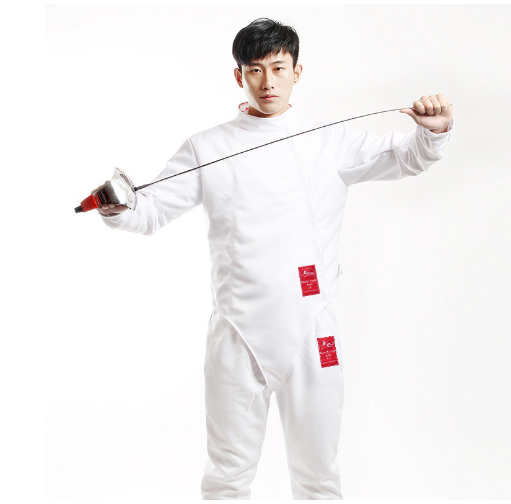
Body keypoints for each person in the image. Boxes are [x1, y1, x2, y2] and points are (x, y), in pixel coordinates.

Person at [96, 17, 454, 500]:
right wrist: (118, 206)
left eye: (279, 68)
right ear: (239, 75)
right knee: (227, 477)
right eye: (255, 69)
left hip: (313, 330)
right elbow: (151, 210)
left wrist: (434, 132)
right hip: (237, 333)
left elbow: (407, 157)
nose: (268, 81)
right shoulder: (207, 147)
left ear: (297, 72)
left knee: (319, 477)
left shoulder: (329, 140)